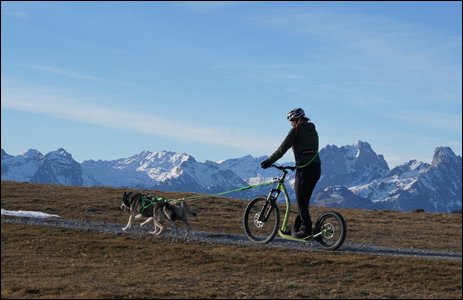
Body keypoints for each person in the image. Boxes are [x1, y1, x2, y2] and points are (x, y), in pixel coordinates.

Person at [260, 108, 321, 239]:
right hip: (316, 167)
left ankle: (306, 230)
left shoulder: (296, 130)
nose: (291, 124)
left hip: (305, 169)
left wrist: (268, 161)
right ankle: (295, 229)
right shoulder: (313, 130)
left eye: (292, 121)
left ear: (297, 120)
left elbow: (282, 149)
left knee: (300, 200)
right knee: (304, 200)